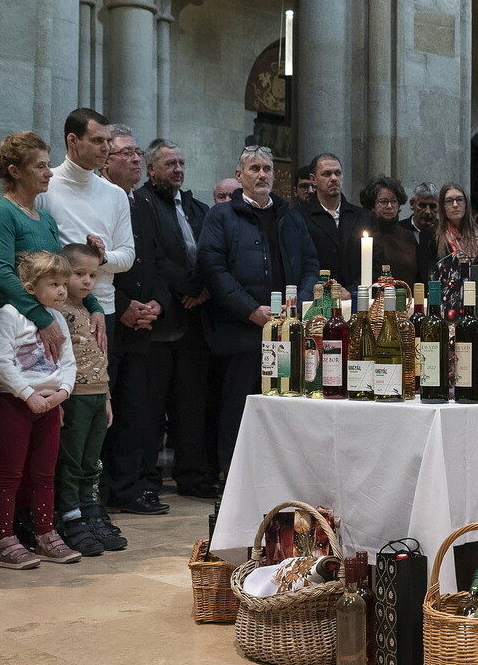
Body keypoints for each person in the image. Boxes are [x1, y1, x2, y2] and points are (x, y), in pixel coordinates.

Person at [0, 132, 115, 557]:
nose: (48, 171)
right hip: (3, 325)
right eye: (39, 165)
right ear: (15, 171)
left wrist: (91, 304)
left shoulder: (44, 217)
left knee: (41, 435)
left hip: (42, 331)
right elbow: (1, 272)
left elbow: (60, 272)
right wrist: (41, 318)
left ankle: (34, 523)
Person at [197, 145, 319, 472]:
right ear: (240, 176)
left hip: (285, 331)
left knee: (282, 406)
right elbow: (214, 269)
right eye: (254, 169)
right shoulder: (221, 216)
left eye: (266, 168)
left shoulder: (290, 216)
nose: (261, 174)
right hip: (241, 331)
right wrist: (251, 310)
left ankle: (278, 475)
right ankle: (233, 476)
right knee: (238, 407)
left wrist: (298, 306)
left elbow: (310, 264)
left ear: (274, 174)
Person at [0, 251, 81, 569]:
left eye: (64, 284)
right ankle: (2, 540)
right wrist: (28, 395)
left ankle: (44, 533)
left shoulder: (56, 319)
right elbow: (0, 361)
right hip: (17, 404)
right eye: (54, 284)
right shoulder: (10, 315)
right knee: (11, 475)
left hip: (50, 405)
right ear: (29, 287)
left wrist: (63, 393)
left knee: (45, 474)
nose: (62, 291)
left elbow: (68, 361)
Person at [137, 139, 216, 499]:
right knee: (151, 407)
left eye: (181, 163)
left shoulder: (198, 209)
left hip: (195, 319)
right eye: (170, 164)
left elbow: (209, 255)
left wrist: (202, 288)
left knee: (191, 404)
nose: (178, 170)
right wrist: (185, 288)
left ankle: (193, 475)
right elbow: (154, 258)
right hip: (161, 317)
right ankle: (147, 479)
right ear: (151, 168)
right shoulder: (143, 203)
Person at [101, 127, 170, 516]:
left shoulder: (142, 203)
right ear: (106, 160)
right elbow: (92, 264)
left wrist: (156, 303)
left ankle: (128, 488)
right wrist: (125, 305)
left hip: (143, 323)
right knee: (105, 411)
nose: (136, 159)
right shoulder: (101, 200)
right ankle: (101, 488)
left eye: (138, 152)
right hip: (111, 316)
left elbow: (156, 259)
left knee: (135, 411)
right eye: (126, 153)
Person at [53, 243, 122, 557]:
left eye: (92, 275)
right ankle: (70, 516)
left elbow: (99, 356)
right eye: (79, 274)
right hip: (73, 398)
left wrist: (106, 396)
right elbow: (54, 361)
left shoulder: (90, 311)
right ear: (63, 275)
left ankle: (91, 511)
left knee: (92, 461)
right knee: (72, 460)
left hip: (97, 394)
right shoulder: (57, 312)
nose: (86, 281)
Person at [38, 108, 134, 318]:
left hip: (103, 305)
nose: (106, 148)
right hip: (54, 306)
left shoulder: (116, 194)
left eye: (108, 141)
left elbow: (127, 256)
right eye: (98, 140)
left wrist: (102, 257)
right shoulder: (45, 184)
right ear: (73, 140)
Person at [299, 152, 378, 290]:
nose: (334, 178)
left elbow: (375, 262)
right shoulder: (299, 217)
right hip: (316, 298)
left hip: (356, 297)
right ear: (313, 179)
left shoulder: (363, 217)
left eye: (338, 173)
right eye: (326, 174)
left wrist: (351, 290)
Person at [362, 175, 435, 288]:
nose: (390, 206)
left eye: (394, 201)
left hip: (407, 301)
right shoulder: (366, 236)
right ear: (372, 205)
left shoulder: (409, 236)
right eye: (384, 202)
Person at [437, 181, 478, 261]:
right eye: (449, 201)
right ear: (442, 206)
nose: (455, 205)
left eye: (459, 199)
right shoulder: (433, 237)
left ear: (466, 203)